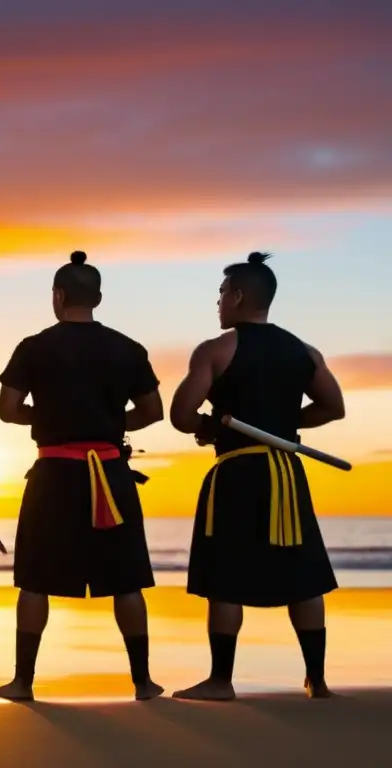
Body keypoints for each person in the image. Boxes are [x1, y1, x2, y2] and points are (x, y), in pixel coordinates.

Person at [170, 252, 344, 701]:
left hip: (238, 472)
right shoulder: (304, 351)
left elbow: (181, 415)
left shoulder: (215, 350)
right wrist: (286, 427)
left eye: (223, 293)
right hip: (286, 471)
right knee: (301, 572)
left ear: (240, 296)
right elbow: (333, 407)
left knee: (226, 575)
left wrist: (208, 429)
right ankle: (317, 680)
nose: (219, 302)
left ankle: (220, 681)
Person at [0, 251, 164, 702]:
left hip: (54, 475)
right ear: (99, 298)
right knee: (126, 580)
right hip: (110, 472)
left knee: (35, 580)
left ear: (59, 295)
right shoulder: (128, 348)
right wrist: (108, 423)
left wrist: (47, 417)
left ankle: (23, 683)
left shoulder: (34, 347)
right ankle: (143, 682)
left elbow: (7, 410)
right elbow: (153, 411)